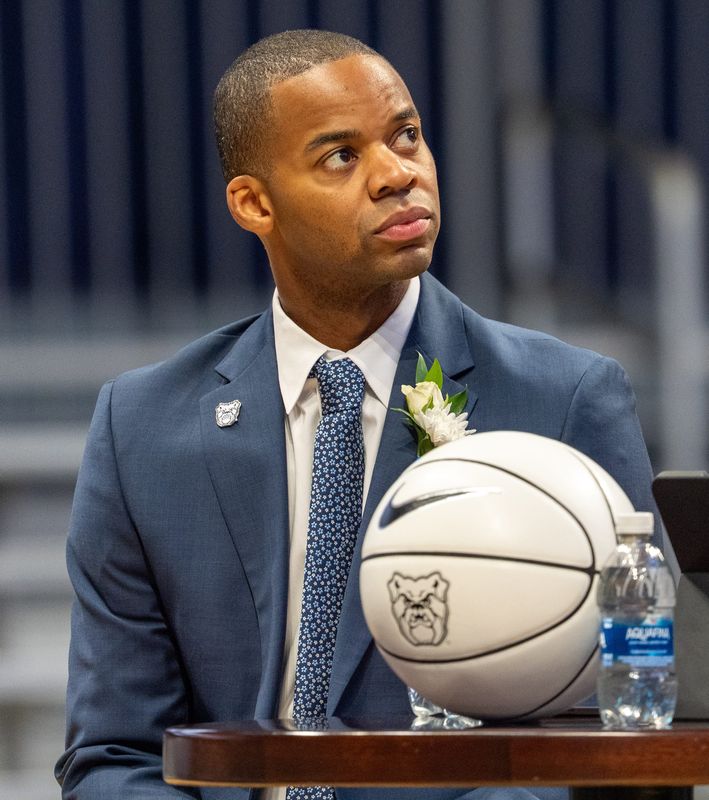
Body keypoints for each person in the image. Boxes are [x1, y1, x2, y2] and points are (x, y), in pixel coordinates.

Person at [56, 29, 662, 800]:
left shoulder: (565, 399)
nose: (396, 174)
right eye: (340, 156)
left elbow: (620, 727)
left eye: (406, 135)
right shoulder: (139, 427)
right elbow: (112, 753)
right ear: (253, 203)